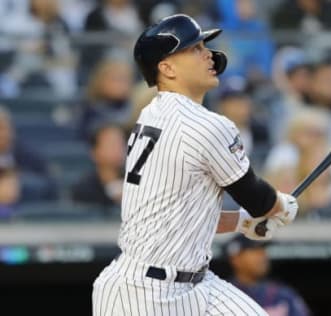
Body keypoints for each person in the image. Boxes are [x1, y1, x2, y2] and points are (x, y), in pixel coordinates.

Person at [92, 14, 298, 316]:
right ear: (167, 67)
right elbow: (258, 199)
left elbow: (182, 215)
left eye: (204, 46)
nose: (208, 55)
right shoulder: (205, 125)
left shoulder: (152, 113)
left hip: (195, 284)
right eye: (194, 49)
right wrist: (280, 206)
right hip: (143, 296)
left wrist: (241, 221)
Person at [225, 235, 311, 316]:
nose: (262, 256)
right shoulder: (222, 294)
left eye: (263, 250)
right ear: (236, 259)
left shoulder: (282, 294)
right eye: (255, 251)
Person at [71, 124, 125, 213]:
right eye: (111, 144)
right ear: (95, 151)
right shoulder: (84, 188)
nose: (118, 149)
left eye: (121, 144)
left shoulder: (135, 182)